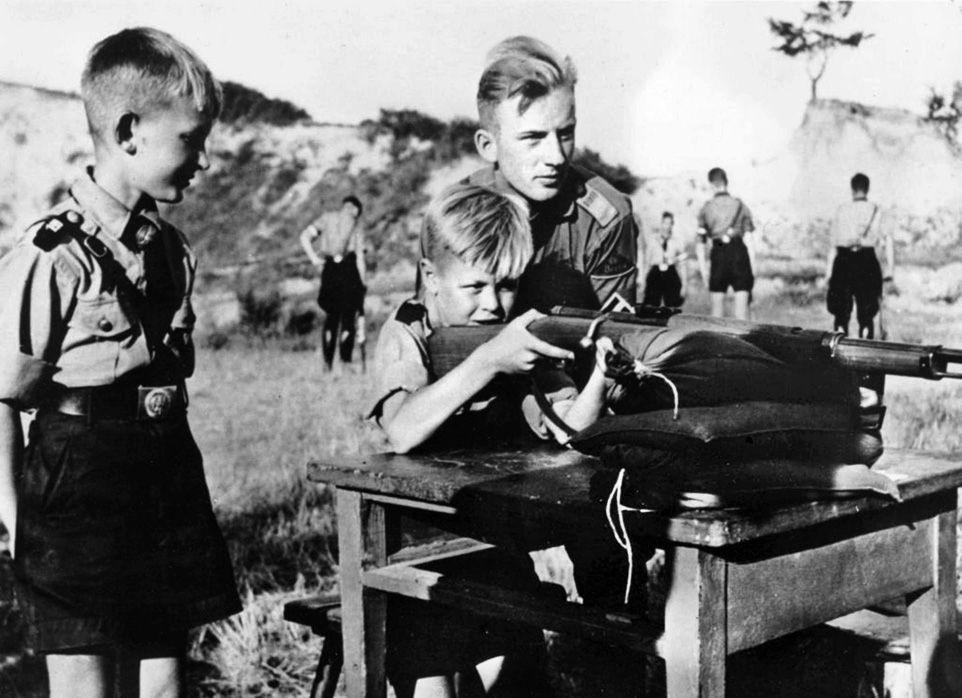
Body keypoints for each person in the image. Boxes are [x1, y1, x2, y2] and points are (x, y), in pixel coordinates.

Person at [0, 28, 240, 698]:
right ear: (130, 132)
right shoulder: (52, 257)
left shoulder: (171, 251)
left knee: (164, 686)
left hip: (162, 476)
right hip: (76, 490)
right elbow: (1, 397)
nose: (206, 160)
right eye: (192, 139)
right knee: (86, 690)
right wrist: (16, 520)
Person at [372, 183, 619, 698]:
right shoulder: (408, 332)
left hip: (495, 549)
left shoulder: (511, 333)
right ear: (430, 276)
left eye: (506, 287)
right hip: (414, 556)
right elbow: (401, 429)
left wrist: (602, 374)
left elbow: (570, 428)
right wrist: (489, 361)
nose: (493, 305)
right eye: (476, 287)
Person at [467, 36, 638, 313]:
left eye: (566, 133)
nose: (557, 157)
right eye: (533, 138)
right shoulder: (453, 216)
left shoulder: (606, 219)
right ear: (488, 146)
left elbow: (619, 335)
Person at [299, 195, 366, 370]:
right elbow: (359, 256)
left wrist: (314, 258)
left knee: (331, 317)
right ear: (355, 209)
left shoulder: (326, 218)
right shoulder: (355, 223)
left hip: (329, 269)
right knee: (348, 318)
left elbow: (304, 237)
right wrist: (363, 282)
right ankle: (345, 362)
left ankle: (327, 364)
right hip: (348, 269)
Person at [825, 173, 894, 339]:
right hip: (867, 260)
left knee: (841, 314)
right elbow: (888, 241)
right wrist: (890, 269)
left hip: (843, 261)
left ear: (852, 189)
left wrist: (828, 273)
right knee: (867, 313)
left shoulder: (842, 210)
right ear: (867, 188)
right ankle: (865, 346)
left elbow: (833, 246)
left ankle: (839, 352)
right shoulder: (877, 210)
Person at [695, 167, 757, 320]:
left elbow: (700, 245)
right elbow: (749, 239)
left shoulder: (706, 208)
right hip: (739, 254)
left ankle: (717, 344)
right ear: (726, 182)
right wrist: (753, 268)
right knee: (742, 314)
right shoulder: (740, 205)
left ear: (711, 184)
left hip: (718, 254)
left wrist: (704, 271)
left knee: (716, 313)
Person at [641, 211, 687, 308]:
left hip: (670, 272)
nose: (667, 226)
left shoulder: (677, 240)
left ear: (672, 225)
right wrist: (643, 281)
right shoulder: (652, 239)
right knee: (650, 305)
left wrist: (684, 284)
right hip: (655, 272)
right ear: (661, 223)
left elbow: (682, 264)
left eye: (670, 223)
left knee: (672, 304)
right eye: (665, 223)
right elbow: (647, 262)